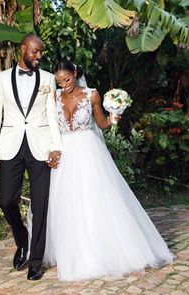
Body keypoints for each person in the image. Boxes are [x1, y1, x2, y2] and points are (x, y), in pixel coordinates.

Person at [43, 58, 175, 281]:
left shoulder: (92, 94)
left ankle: (99, 251)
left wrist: (114, 117)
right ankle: (70, 251)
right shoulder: (54, 96)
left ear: (75, 73)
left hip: (88, 151)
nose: (63, 85)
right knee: (66, 202)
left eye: (67, 79)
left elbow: (101, 123)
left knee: (94, 199)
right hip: (64, 152)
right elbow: (49, 124)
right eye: (59, 81)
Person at [0, 34, 62, 281]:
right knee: (6, 200)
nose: (39, 56)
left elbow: (52, 116)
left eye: (41, 53)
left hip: (41, 148)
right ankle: (23, 240)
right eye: (35, 52)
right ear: (23, 50)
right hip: (10, 147)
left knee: (40, 205)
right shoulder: (1, 79)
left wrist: (56, 147)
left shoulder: (49, 79)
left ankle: (35, 263)